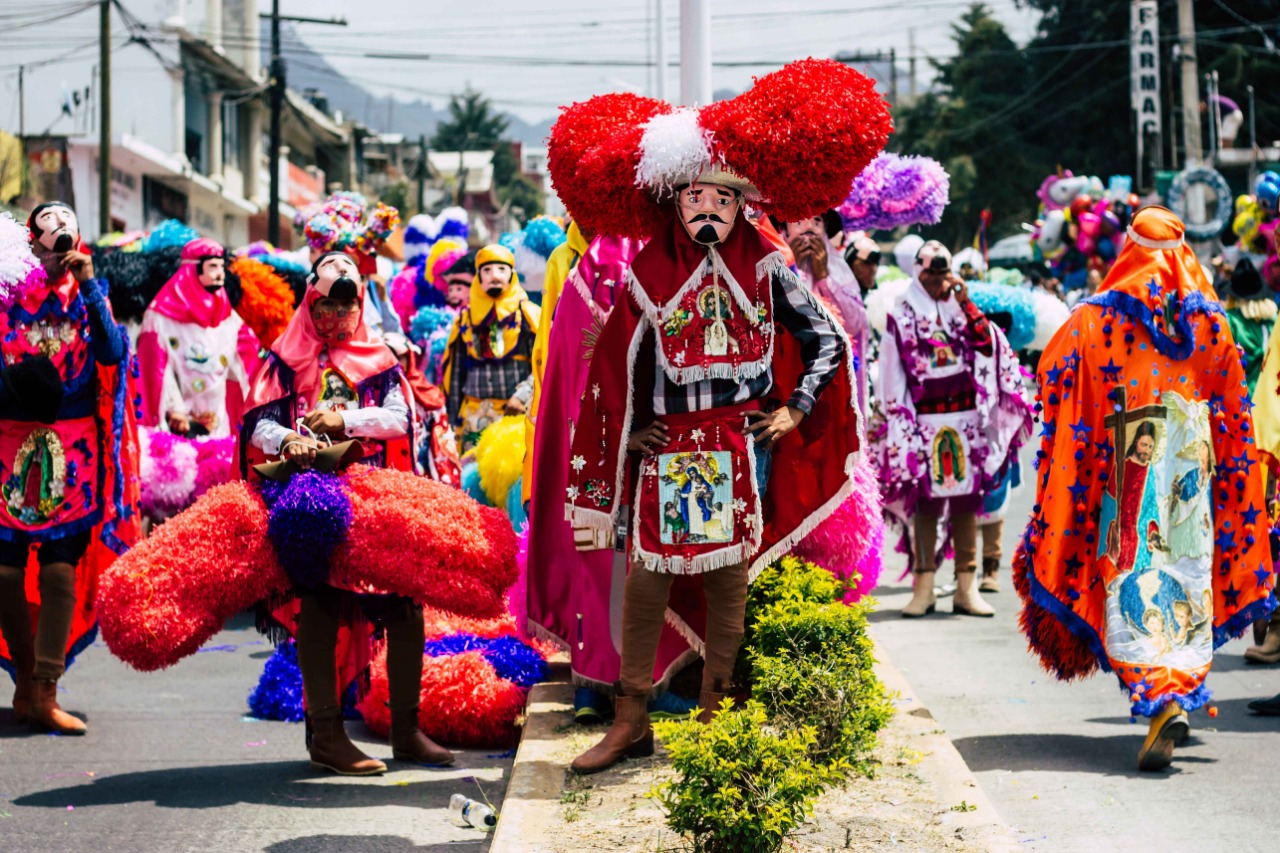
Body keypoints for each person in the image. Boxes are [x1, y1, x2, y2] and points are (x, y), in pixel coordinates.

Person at [553, 57, 888, 774]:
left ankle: (716, 716)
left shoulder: (767, 267)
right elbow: (611, 370)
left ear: (741, 204)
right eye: (694, 197)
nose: (708, 209)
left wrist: (796, 410)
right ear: (674, 202)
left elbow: (826, 337)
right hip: (669, 452)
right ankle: (631, 717)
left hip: (735, 450)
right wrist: (630, 434)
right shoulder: (648, 273)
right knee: (646, 581)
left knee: (727, 582)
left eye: (722, 198)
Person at [1014, 206, 1274, 772]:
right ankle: (1176, 690)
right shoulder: (1212, 324)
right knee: (1186, 576)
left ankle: (1158, 697)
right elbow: (1235, 412)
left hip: (1127, 474)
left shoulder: (1093, 320)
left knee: (1131, 578)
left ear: (1128, 251)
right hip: (1191, 482)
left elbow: (1052, 372)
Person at [242, 250, 452, 775]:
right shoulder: (284, 358)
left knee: (404, 608)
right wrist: (289, 438)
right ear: (309, 305)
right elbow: (256, 423)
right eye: (326, 308)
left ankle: (406, 732)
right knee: (320, 606)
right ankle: (328, 737)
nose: (337, 319)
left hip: (373, 499)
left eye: (347, 308)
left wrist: (345, 419)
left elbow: (402, 421)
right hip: (309, 499)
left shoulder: (380, 359)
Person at [0, 203, 139, 735]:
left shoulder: (86, 294)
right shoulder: (8, 293)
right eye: (50, 244)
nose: (59, 254)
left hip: (73, 448)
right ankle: (23, 673)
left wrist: (89, 286)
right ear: (30, 245)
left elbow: (110, 351)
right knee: (4, 574)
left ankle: (47, 689)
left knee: (61, 571)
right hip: (11, 445)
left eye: (68, 242)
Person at [876, 241, 1032, 618]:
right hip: (923, 423)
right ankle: (924, 587)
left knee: (967, 507)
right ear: (917, 270)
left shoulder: (963, 309)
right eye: (928, 271)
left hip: (966, 423)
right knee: (926, 506)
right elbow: (891, 373)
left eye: (940, 272)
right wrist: (898, 420)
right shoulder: (902, 313)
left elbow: (989, 345)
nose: (934, 279)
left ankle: (966, 588)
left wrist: (964, 302)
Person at [136, 238, 259, 442]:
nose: (220, 273)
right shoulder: (160, 316)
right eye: (212, 267)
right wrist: (174, 407)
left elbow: (248, 356)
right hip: (177, 425)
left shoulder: (227, 316)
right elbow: (154, 370)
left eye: (221, 267)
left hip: (219, 424)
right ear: (193, 269)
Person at [440, 245, 540, 452]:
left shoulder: (528, 315)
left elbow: (542, 361)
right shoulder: (465, 318)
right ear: (478, 277)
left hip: (515, 414)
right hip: (473, 416)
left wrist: (522, 395)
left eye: (501, 270)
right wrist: (450, 421)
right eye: (487, 270)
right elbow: (456, 372)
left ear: (512, 275)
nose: (495, 276)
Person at [778, 212, 870, 411]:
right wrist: (792, 268)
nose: (808, 228)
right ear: (783, 229)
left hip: (832, 382)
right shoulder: (772, 264)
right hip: (787, 379)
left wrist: (824, 277)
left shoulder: (838, 270)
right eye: (798, 221)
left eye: (817, 222)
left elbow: (855, 323)